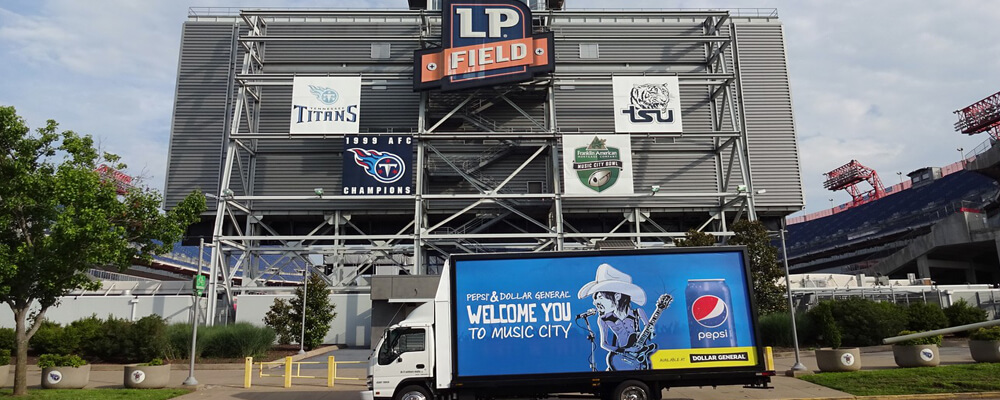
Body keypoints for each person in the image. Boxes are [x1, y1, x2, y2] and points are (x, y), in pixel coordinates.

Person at [577, 263, 650, 370]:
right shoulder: (603, 319)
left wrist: (649, 333)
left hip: (638, 358)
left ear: (617, 296)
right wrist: (626, 351)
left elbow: (650, 334)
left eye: (600, 297)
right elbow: (603, 344)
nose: (595, 302)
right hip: (619, 358)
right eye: (595, 298)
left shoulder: (638, 313)